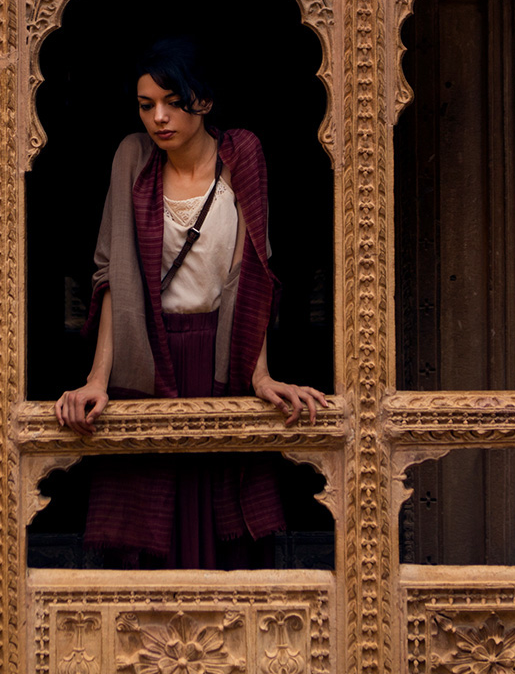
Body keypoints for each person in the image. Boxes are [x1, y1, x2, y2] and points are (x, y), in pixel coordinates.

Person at [53, 37, 329, 568]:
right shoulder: (132, 158)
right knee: (147, 523)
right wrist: (95, 379)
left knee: (224, 517)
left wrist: (261, 376)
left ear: (203, 100)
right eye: (146, 104)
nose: (159, 117)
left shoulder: (242, 155)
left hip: (221, 354)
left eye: (173, 101)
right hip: (148, 357)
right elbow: (112, 276)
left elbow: (256, 274)